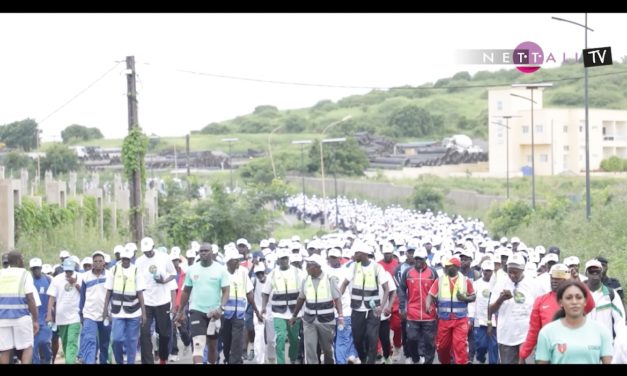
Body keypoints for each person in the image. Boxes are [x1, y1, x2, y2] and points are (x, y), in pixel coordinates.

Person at [519, 263, 595, 363]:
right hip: (547, 353)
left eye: (559, 277)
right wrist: (523, 354)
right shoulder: (540, 301)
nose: (554, 280)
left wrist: (578, 283)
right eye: (552, 277)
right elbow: (533, 331)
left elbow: (590, 305)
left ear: (567, 279)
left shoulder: (574, 300)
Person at [175, 243, 230, 364]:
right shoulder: (192, 270)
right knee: (198, 343)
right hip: (196, 310)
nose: (203, 253)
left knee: (212, 346)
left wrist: (221, 308)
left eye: (206, 251)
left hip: (214, 313)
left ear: (212, 252)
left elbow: (226, 291)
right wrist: (180, 312)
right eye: (201, 251)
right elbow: (186, 292)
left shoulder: (221, 270)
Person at [535, 280, 613, 364]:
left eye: (579, 297)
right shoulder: (547, 332)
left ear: (585, 301)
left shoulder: (601, 330)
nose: (574, 302)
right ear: (560, 302)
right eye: (569, 298)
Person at [339, 241, 390, 364]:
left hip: (373, 310)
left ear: (362, 254)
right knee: (357, 339)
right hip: (357, 309)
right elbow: (344, 284)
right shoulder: (354, 267)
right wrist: (337, 299)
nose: (353, 256)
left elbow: (386, 289)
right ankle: (362, 358)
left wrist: (381, 307)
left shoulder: (377, 268)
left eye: (356, 254)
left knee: (372, 338)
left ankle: (370, 362)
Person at [290, 254, 343, 364]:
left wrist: (341, 316)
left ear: (317, 267)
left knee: (327, 350)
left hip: (326, 320)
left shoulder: (329, 279)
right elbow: (301, 298)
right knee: (309, 348)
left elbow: (337, 299)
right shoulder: (305, 279)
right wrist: (294, 316)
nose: (306, 268)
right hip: (309, 320)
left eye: (309, 266)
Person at [488, 253, 539, 364]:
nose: (512, 275)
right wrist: (500, 300)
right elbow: (490, 309)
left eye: (515, 272)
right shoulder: (501, 283)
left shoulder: (533, 284)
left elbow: (538, 309)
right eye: (509, 271)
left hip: (527, 336)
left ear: (522, 270)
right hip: (507, 336)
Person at [135, 236, 178, 364]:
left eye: (149, 250)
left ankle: (163, 357)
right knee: (144, 334)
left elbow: (173, 273)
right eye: (145, 251)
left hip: (163, 301)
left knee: (164, 334)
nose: (147, 253)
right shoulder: (139, 261)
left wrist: (164, 281)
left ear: (153, 247)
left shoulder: (164, 257)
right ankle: (148, 361)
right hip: (146, 302)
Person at [426, 256, 475, 364]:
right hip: (444, 319)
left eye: (449, 266)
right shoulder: (440, 280)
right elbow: (430, 295)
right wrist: (428, 305)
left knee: (460, 347)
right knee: (442, 348)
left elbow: (473, 296)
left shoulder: (465, 281)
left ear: (456, 267)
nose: (446, 268)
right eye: (446, 266)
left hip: (460, 320)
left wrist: (465, 298)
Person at [103, 246, 147, 364]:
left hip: (134, 311)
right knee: (116, 340)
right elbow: (108, 291)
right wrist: (105, 310)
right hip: (117, 312)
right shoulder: (114, 270)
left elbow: (140, 293)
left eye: (128, 259)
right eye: (124, 259)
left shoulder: (136, 270)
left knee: (131, 341)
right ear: (121, 258)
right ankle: (120, 361)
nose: (126, 261)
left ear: (131, 258)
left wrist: (144, 313)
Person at [261, 247, 305, 364]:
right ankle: (281, 362)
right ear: (278, 260)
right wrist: (263, 307)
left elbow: (304, 292)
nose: (284, 261)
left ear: (289, 259)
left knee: (294, 339)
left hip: (294, 312)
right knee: (280, 338)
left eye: (286, 258)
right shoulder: (273, 274)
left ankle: (293, 358)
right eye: (282, 259)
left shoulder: (298, 272)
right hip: (278, 312)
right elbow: (265, 292)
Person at [397, 246, 438, 364]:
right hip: (412, 313)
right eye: (416, 259)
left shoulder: (432, 272)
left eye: (420, 259)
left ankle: (428, 361)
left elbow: (438, 291)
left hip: (429, 314)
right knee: (411, 339)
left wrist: (438, 309)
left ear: (426, 258)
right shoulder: (408, 272)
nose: (418, 261)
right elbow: (401, 289)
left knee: (429, 342)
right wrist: (402, 307)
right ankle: (415, 358)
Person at [0, 251, 39, 364]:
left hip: (2, 319)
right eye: (22, 258)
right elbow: (30, 298)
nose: (23, 261)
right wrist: (35, 320)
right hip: (21, 317)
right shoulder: (24, 274)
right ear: (18, 260)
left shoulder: (0, 273)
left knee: (4, 350)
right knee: (27, 347)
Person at [77, 251, 111, 364]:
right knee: (89, 341)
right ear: (92, 263)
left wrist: (112, 312)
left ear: (104, 263)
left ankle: (103, 361)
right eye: (95, 261)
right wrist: (81, 313)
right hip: (89, 314)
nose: (97, 263)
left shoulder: (110, 275)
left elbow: (113, 295)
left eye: (100, 261)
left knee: (104, 342)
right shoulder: (86, 276)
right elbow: (82, 296)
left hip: (105, 315)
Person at [46, 258, 82, 364]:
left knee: (72, 342)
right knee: (66, 343)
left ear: (74, 269)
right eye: (67, 271)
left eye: (70, 271)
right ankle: (69, 361)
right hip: (61, 317)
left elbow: (84, 294)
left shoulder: (80, 277)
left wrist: (75, 284)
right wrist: (49, 314)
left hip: (75, 316)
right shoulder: (57, 279)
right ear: (63, 269)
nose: (68, 273)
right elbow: (52, 297)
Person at [584, 259, 625, 340]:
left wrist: (619, 341)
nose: (594, 273)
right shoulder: (578, 294)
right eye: (591, 271)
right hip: (584, 343)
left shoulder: (611, 294)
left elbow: (620, 320)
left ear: (601, 273)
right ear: (586, 273)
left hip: (606, 344)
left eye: (597, 270)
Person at [29, 258, 52, 364]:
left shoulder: (48, 280)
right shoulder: (28, 281)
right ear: (31, 270)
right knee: (33, 347)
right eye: (33, 269)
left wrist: (52, 313)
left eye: (37, 268)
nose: (36, 271)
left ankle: (47, 359)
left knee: (44, 342)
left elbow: (53, 297)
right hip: (32, 319)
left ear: (41, 268)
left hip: (45, 318)